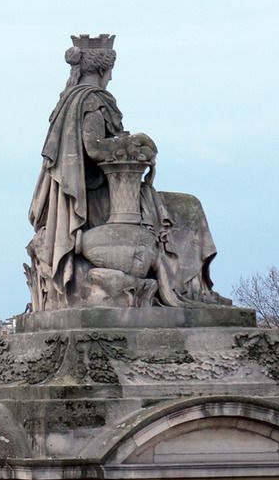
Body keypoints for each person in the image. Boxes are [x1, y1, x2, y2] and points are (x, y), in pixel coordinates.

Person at [26, 35, 225, 311]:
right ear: (105, 69)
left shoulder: (70, 100)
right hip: (98, 199)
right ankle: (192, 289)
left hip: (90, 194)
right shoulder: (92, 101)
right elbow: (94, 148)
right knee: (188, 207)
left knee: (183, 206)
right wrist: (132, 143)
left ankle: (194, 288)